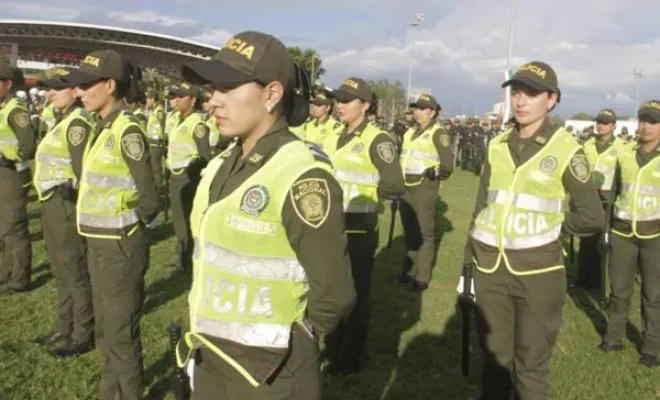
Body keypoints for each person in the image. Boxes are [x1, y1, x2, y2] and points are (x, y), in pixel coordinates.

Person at [175, 30, 355, 399]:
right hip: (211, 356)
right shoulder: (225, 161)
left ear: (272, 94)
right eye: (212, 89)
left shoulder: (302, 174)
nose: (212, 101)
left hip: (271, 373)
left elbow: (334, 294)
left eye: (227, 87)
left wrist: (300, 344)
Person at [463, 61, 605, 399]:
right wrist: (468, 261)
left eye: (532, 93)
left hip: (538, 273)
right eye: (517, 92)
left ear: (552, 99)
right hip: (489, 270)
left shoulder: (567, 147)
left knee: (530, 369)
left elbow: (592, 217)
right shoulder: (496, 144)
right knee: (495, 361)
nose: (521, 101)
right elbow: (482, 205)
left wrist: (552, 229)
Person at [66, 49, 160, 400]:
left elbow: (149, 194)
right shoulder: (101, 128)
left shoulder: (127, 130)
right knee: (106, 330)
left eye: (87, 85)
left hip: (120, 244)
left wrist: (132, 228)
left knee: (121, 333)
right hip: (97, 242)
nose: (79, 92)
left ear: (109, 85)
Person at [322, 77, 405, 374]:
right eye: (338, 100)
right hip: (329, 229)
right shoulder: (333, 134)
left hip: (358, 232)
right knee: (330, 292)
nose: (340, 105)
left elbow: (394, 184)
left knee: (355, 296)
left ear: (366, 105)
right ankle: (332, 348)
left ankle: (351, 356)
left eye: (347, 100)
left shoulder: (377, 139)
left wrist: (370, 198)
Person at [31, 67, 95, 356]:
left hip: (66, 202)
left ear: (75, 91)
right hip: (52, 201)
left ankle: (83, 333)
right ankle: (64, 325)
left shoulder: (78, 124)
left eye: (57, 87)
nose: (50, 93)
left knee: (75, 270)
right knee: (61, 269)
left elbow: (83, 171)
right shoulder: (63, 120)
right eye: (49, 88)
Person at [600, 100, 660, 368]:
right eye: (642, 120)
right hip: (622, 232)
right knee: (619, 290)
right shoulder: (623, 153)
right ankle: (614, 337)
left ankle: (651, 347)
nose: (646, 126)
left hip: (654, 237)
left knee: (653, 295)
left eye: (653, 121)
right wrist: (605, 228)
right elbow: (611, 192)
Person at [397, 94, 454, 291]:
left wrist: (434, 172)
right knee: (410, 231)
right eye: (416, 108)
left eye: (422, 109)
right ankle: (408, 271)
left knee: (424, 233)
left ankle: (422, 276)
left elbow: (448, 165)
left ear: (432, 112)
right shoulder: (409, 132)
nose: (417, 112)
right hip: (405, 186)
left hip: (424, 187)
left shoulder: (439, 133)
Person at [575, 109, 624, 292]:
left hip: (608, 198)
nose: (600, 125)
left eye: (605, 122)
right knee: (586, 238)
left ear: (613, 126)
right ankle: (582, 279)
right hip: (588, 196)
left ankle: (598, 282)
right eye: (598, 121)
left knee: (603, 241)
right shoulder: (587, 145)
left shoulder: (621, 147)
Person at [166, 82, 211, 273]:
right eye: (173, 96)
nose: (174, 100)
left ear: (192, 101)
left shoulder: (197, 125)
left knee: (187, 221)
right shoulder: (177, 119)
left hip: (188, 178)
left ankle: (187, 260)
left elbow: (205, 156)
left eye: (179, 96)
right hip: (175, 177)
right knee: (179, 220)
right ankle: (183, 258)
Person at [0, 62, 36, 296]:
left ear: (7, 84)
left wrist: (4, 155)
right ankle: (4, 273)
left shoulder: (16, 110)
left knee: (13, 229)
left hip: (10, 174)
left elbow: (28, 147)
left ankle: (19, 279)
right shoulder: (4, 108)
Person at [145, 89, 166, 189]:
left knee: (156, 168)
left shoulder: (159, 111)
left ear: (153, 99)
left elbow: (163, 127)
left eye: (148, 99)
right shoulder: (153, 111)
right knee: (154, 168)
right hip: (152, 143)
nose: (147, 101)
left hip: (157, 144)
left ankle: (159, 188)